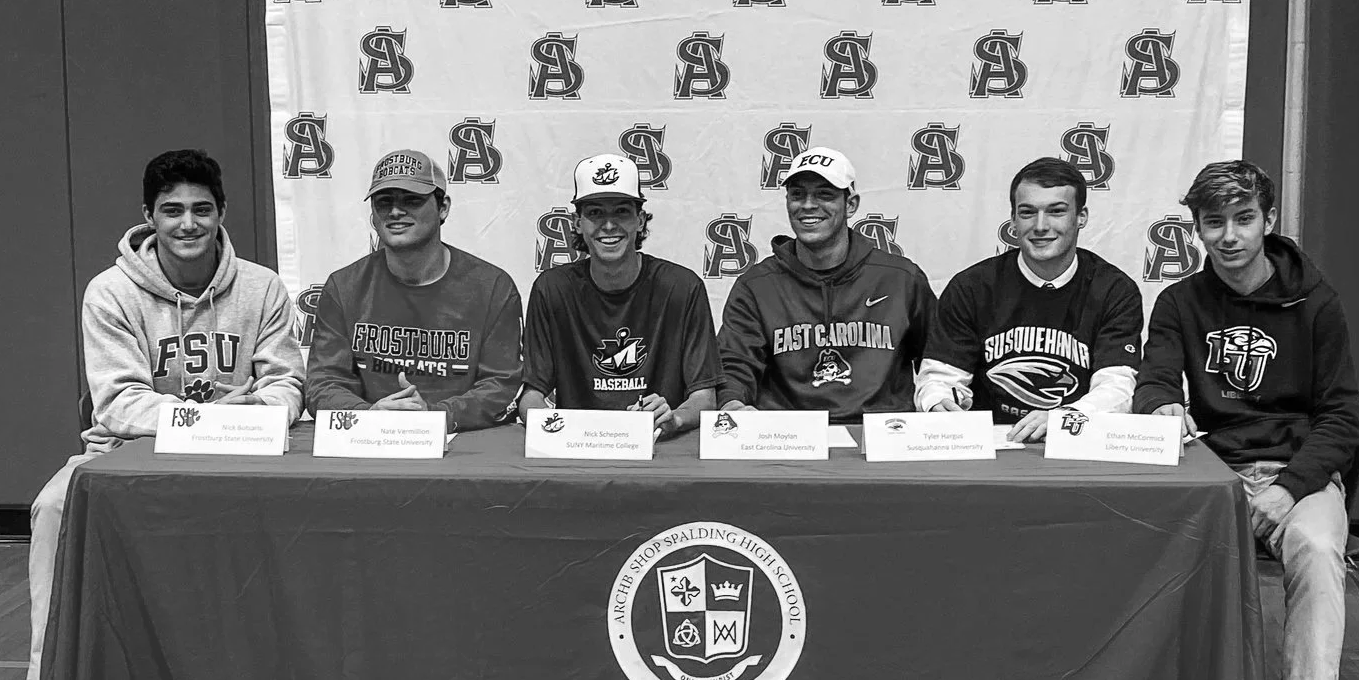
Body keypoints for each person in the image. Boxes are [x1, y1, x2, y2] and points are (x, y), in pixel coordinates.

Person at [1134, 159, 1359, 680]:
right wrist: (1157, 411)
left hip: (1298, 471)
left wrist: (1289, 488)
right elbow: (1153, 380)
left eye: (1242, 219)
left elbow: (1343, 415)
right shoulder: (1178, 301)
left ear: (1267, 220)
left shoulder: (1315, 302)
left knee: (1320, 552)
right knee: (1148, 551)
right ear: (1197, 227)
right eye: (1214, 222)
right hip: (1212, 468)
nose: (1228, 235)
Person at [26, 149, 305, 680]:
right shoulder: (111, 292)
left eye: (202, 209)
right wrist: (204, 419)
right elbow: (118, 401)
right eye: (172, 210)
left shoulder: (261, 286)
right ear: (149, 216)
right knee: (53, 507)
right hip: (127, 450)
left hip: (245, 448)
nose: (188, 223)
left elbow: (287, 382)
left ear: (221, 213)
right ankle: (53, 671)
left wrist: (251, 413)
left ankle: (278, 675)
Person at [916, 157, 1143, 439]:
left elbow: (1117, 386)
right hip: (991, 443)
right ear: (1012, 219)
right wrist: (940, 403)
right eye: (1027, 212)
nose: (1040, 226)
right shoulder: (972, 287)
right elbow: (941, 376)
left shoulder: (1114, 290)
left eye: (1056, 211)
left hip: (1073, 440)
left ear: (1081, 217)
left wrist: (1064, 418)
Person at [306, 149, 522, 431]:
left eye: (412, 200)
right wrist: (367, 415)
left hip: (461, 445)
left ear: (443, 207)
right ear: (372, 215)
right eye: (384, 202)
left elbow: (502, 385)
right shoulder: (343, 286)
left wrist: (435, 417)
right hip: (369, 439)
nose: (395, 211)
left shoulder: (492, 287)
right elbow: (322, 382)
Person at [717, 146, 936, 423]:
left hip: (884, 437)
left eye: (824, 194)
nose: (808, 205)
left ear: (851, 204)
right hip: (787, 438)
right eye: (798, 194)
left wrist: (940, 399)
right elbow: (734, 364)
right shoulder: (756, 286)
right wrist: (733, 404)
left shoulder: (901, 279)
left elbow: (938, 361)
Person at [518, 154, 721, 438]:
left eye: (622, 212)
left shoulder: (682, 287)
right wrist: (554, 428)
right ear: (577, 223)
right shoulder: (552, 289)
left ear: (640, 220)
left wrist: (673, 418)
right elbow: (531, 395)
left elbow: (705, 398)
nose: (609, 225)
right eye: (596, 213)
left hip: (659, 448)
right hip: (577, 448)